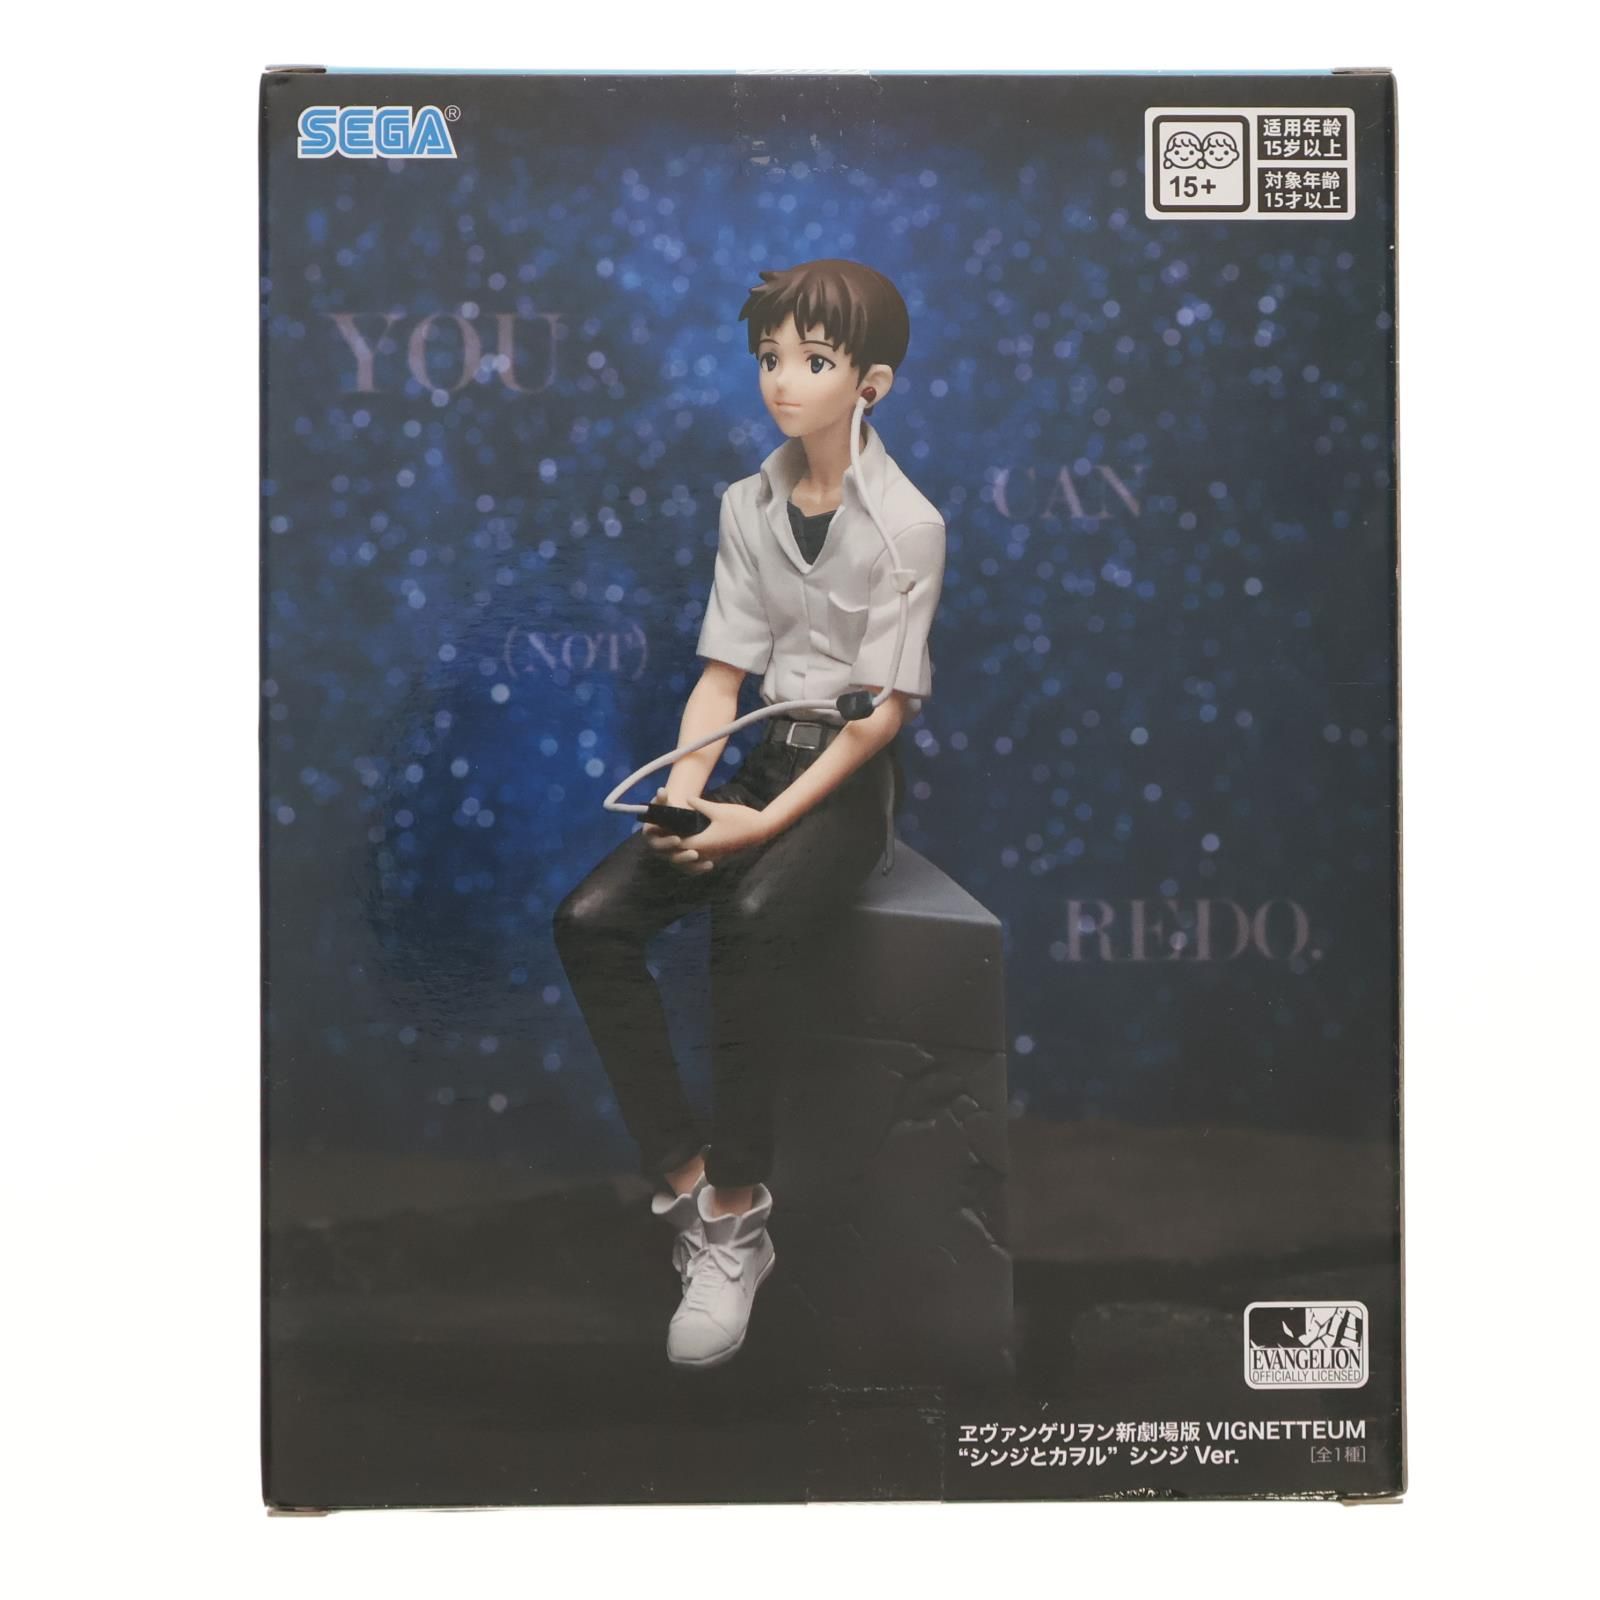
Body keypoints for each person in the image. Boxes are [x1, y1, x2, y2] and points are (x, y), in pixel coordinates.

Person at [553, 259, 946, 1368]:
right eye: (770, 357)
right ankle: (686, 1182)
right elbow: (722, 680)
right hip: (762, 761)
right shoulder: (748, 505)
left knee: (754, 917)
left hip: (844, 784)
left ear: (870, 384)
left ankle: (737, 1217)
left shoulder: (909, 525)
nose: (783, 380)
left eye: (814, 360)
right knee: (590, 922)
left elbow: (880, 719)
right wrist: (688, 796)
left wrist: (759, 831)